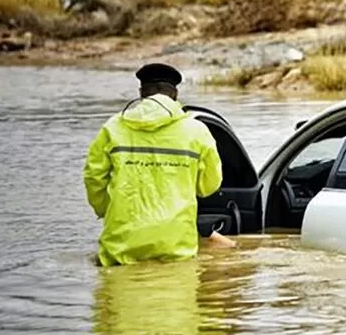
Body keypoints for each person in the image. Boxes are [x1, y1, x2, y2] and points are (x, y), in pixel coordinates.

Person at [83, 63, 236, 267]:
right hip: (176, 244)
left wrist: (108, 210)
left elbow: (93, 178)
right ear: (174, 93)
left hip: (122, 243)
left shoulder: (112, 128)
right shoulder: (196, 131)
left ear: (141, 92)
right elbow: (209, 185)